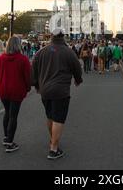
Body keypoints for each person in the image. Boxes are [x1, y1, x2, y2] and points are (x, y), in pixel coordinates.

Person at [32, 29, 83, 160]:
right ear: (63, 37)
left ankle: (52, 140)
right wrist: (78, 80)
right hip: (61, 91)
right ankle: (54, 149)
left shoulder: (41, 52)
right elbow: (77, 67)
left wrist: (36, 85)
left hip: (45, 90)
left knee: (50, 116)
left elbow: (34, 69)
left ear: (52, 37)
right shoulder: (68, 52)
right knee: (59, 118)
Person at [0, 36, 31, 153]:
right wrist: (28, 87)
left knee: (7, 113)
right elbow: (28, 76)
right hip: (16, 90)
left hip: (3, 89)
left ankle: (6, 137)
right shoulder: (23, 59)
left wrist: (0, 82)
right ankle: (10, 142)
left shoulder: (1, 58)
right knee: (13, 115)